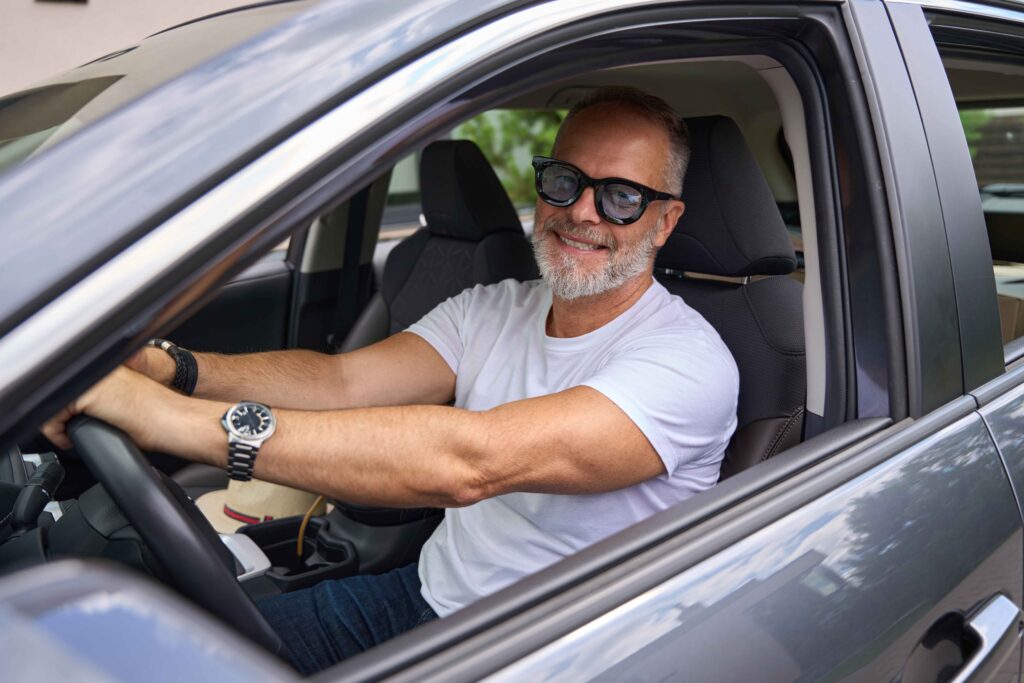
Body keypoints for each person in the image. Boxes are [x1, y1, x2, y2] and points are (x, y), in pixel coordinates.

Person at [42, 87, 739, 674]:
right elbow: (342, 381)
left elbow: (472, 460)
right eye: (565, 180)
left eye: (621, 196)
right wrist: (170, 368)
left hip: (550, 654)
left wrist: (166, 419)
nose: (583, 212)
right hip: (423, 599)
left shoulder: (688, 363)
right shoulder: (494, 307)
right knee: (161, 658)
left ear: (666, 219)